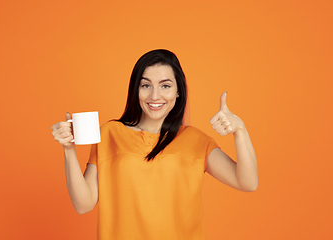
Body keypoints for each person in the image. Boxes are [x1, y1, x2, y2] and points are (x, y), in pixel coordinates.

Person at [51, 49, 258, 240]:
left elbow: (248, 183)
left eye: (165, 86)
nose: (155, 96)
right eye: (146, 85)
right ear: (136, 90)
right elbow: (83, 204)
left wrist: (240, 131)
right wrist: (69, 150)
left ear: (178, 91)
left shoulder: (196, 141)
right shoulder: (109, 133)